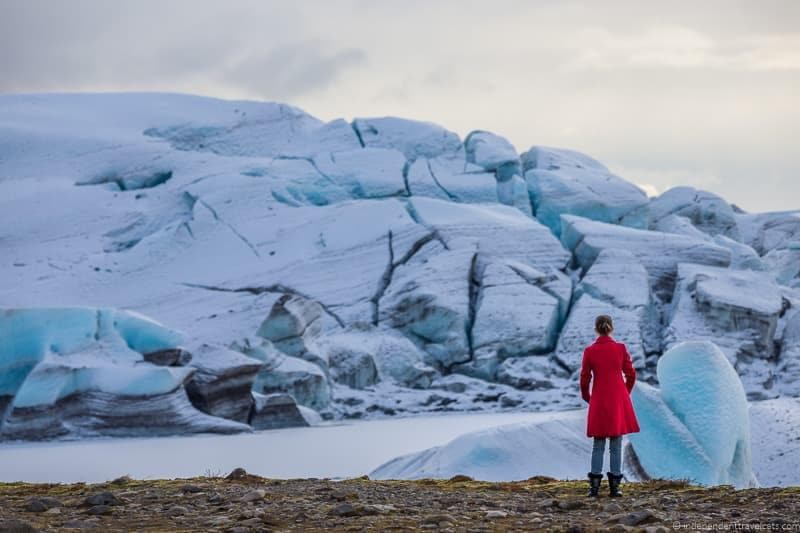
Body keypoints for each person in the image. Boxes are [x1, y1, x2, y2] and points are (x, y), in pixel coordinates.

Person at [580, 314, 640, 497]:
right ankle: (615, 488)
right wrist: (624, 393)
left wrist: (587, 397)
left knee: (598, 444)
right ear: (611, 328)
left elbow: (585, 378)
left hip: (599, 399)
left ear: (596, 329)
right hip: (617, 399)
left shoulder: (590, 351)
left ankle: (594, 488)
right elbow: (631, 374)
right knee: (616, 443)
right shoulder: (620, 348)